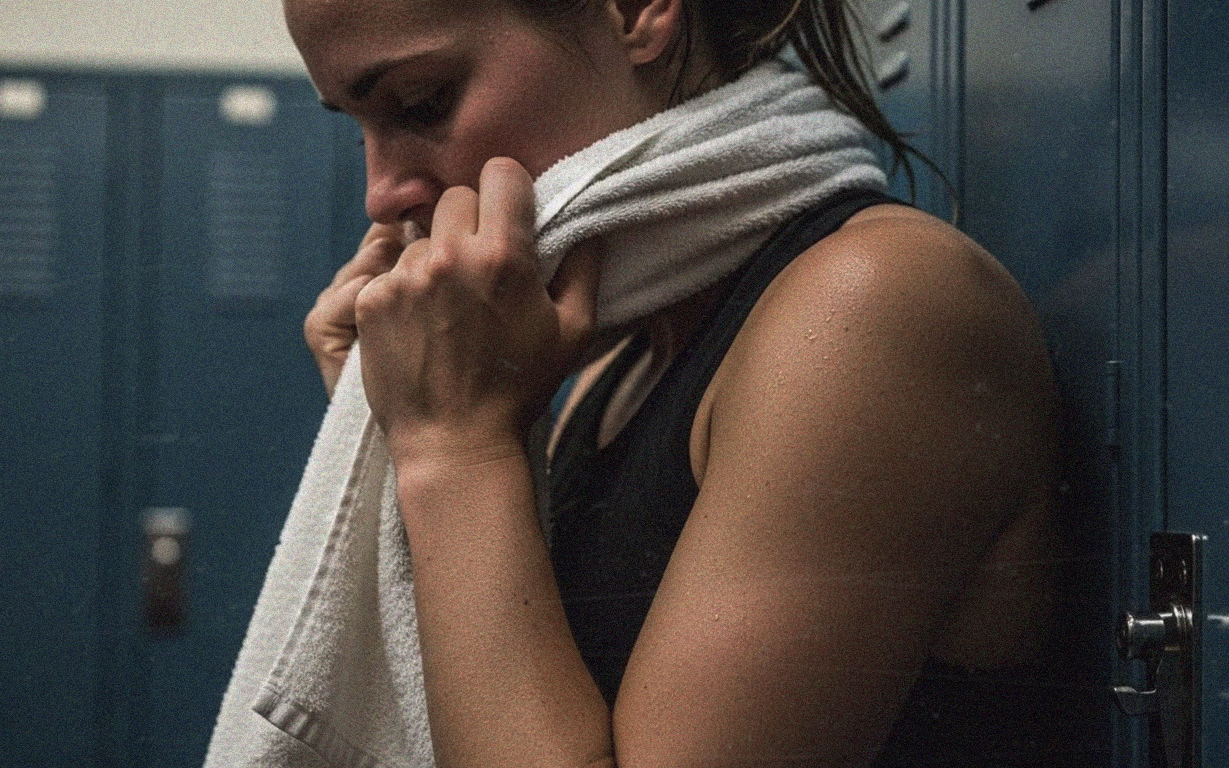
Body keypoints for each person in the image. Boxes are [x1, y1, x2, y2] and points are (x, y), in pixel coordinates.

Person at [291, 0, 1062, 765]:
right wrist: (400, 419)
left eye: (420, 102)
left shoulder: (874, 306)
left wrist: (449, 448)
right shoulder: (621, 363)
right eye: (357, 128)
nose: (380, 193)